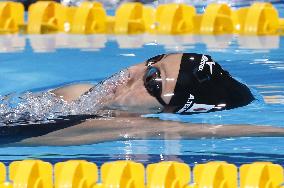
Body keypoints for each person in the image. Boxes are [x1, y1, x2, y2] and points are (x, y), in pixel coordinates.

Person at [3, 53, 284, 146]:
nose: (131, 73)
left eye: (152, 80)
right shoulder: (85, 93)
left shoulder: (116, 125)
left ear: (170, 110)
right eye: (153, 61)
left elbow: (198, 130)